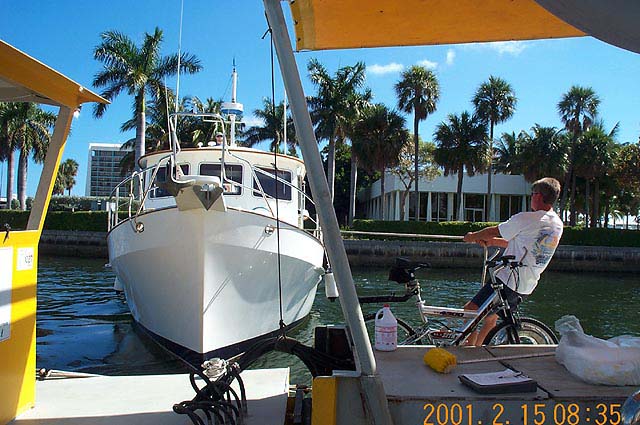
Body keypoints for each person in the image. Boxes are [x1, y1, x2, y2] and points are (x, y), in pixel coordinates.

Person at [462, 177, 564, 346]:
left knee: (471, 310)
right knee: (491, 318)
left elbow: (495, 230)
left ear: (538, 196)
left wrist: (472, 237)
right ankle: (478, 349)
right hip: (526, 284)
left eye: (532, 194)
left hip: (507, 280)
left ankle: (468, 349)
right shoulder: (556, 224)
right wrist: (493, 242)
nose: (531, 197)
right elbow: (523, 243)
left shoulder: (528, 218)